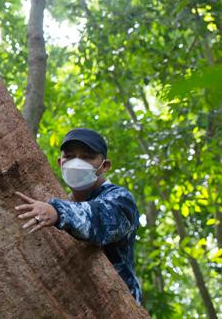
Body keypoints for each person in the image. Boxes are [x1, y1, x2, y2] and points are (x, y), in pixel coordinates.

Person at [13, 128, 142, 303]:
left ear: (105, 166)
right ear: (60, 162)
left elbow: (98, 219)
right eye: (70, 156)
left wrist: (57, 212)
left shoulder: (121, 199)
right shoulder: (61, 201)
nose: (76, 163)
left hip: (116, 303)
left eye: (87, 157)